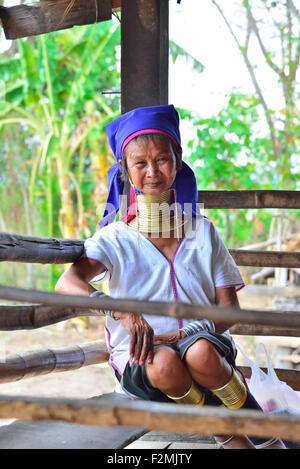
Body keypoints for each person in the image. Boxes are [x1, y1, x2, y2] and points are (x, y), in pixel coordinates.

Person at [55, 104, 286, 449]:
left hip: (206, 349)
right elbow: (66, 284)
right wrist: (123, 311)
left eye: (162, 159)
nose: (152, 171)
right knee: (163, 363)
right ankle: (244, 439)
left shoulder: (203, 233)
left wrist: (184, 332)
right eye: (140, 163)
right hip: (143, 361)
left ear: (178, 160)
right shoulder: (114, 238)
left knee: (200, 353)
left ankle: (264, 437)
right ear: (124, 170)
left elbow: (228, 310)